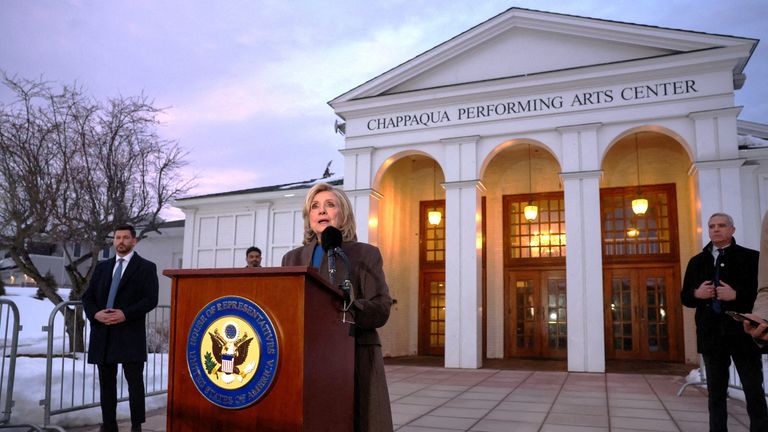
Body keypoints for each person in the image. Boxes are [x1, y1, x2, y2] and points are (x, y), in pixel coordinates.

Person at [281, 183, 393, 432]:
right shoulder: (292, 259)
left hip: (354, 356)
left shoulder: (365, 254)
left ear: (343, 214)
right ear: (308, 216)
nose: (321, 211)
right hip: (307, 358)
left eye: (330, 205)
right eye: (315, 206)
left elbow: (382, 307)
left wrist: (352, 306)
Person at [681, 213, 768, 432]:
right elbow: (685, 297)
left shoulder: (752, 258)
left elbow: (763, 294)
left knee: (753, 391)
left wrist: (736, 295)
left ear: (732, 230)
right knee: (716, 395)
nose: (716, 230)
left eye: (721, 225)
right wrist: (697, 293)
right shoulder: (697, 261)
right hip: (711, 337)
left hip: (743, 335)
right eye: (712, 226)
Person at [82, 224, 159, 432]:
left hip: (129, 333)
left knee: (134, 383)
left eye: (126, 237)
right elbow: (88, 297)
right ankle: (109, 425)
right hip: (104, 333)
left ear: (134, 241)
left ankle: (136, 425)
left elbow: (150, 299)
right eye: (117, 237)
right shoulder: (102, 267)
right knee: (107, 384)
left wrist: (125, 314)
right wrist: (95, 314)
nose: (121, 241)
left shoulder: (146, 267)